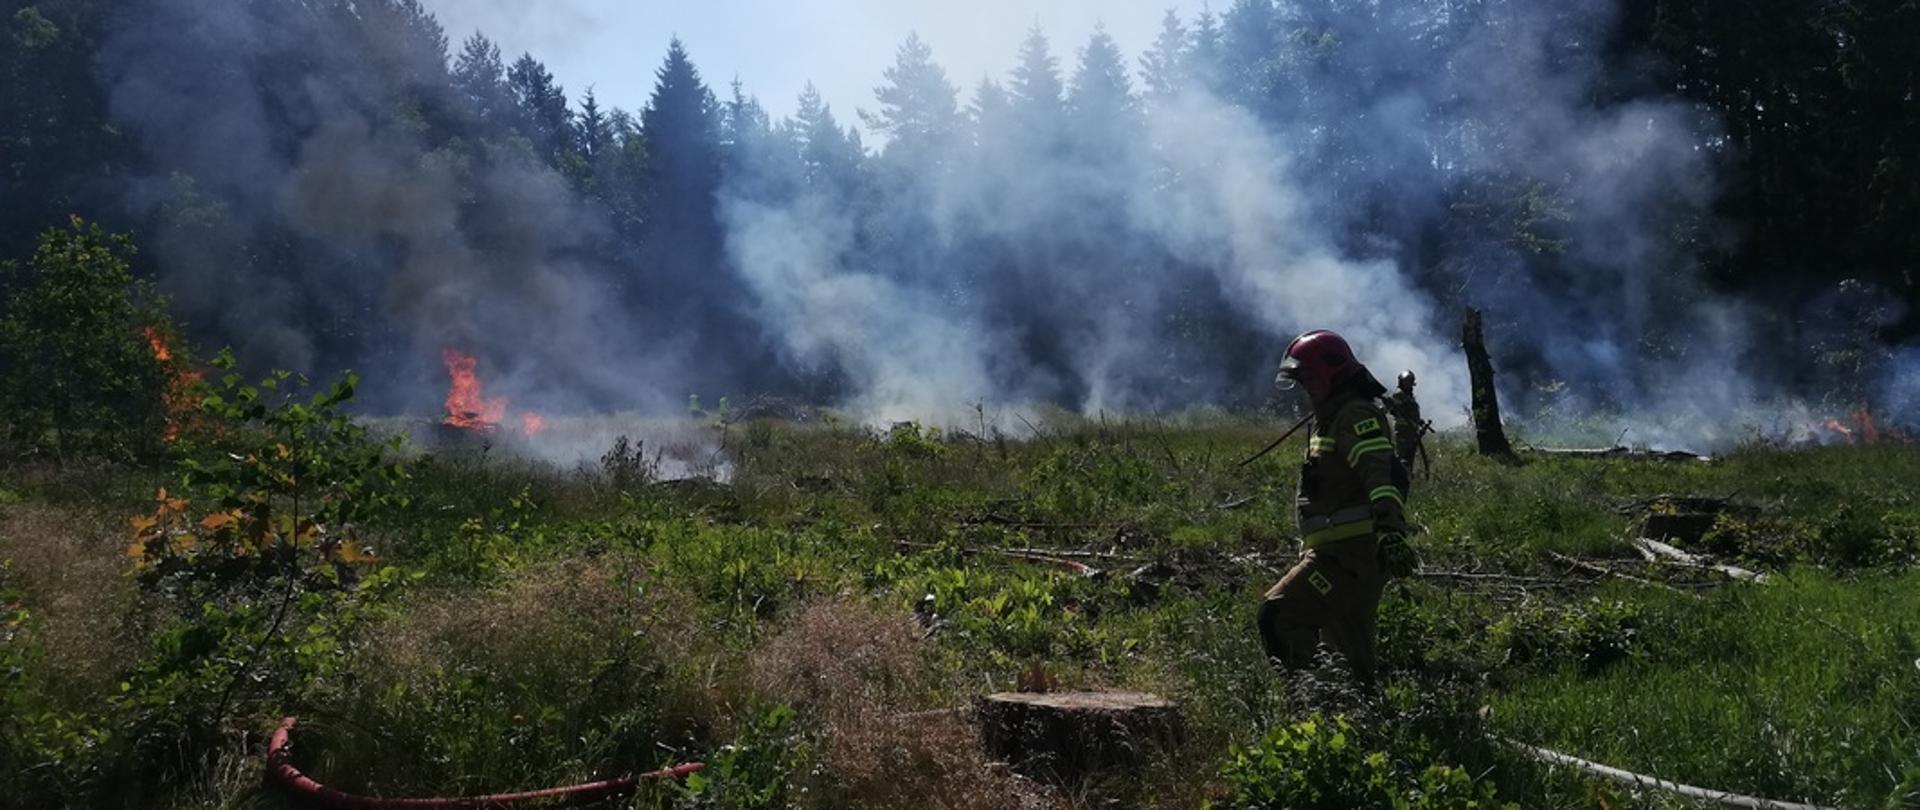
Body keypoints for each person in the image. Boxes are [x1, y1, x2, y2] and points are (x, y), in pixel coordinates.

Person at [1257, 329, 1417, 688]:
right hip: (1343, 555)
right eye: (1300, 380)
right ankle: (1354, 721)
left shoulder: (1355, 416)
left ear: (1334, 371)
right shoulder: (1331, 417)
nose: (1305, 386)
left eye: (1309, 377)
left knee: (1278, 613)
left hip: (1348, 556)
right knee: (1351, 659)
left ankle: (1305, 705)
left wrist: (1391, 528)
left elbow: (1379, 473)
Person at [1386, 370, 1426, 475]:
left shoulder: (1409, 396)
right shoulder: (1399, 395)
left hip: (1412, 431)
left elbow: (1409, 412)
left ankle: (1407, 476)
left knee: (1410, 457)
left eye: (1409, 382)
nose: (1408, 384)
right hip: (1403, 431)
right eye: (1406, 382)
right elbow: (1393, 409)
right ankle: (1400, 477)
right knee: (1403, 458)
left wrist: (1418, 420)